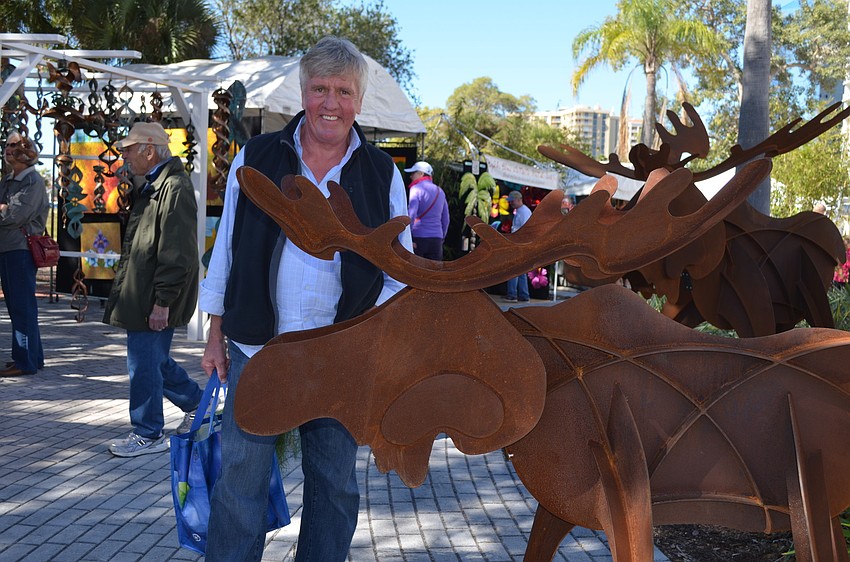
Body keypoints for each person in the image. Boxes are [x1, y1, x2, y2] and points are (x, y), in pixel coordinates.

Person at [199, 36, 413, 562]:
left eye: (343, 91)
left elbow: (400, 272)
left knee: (335, 487)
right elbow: (227, 243)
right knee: (239, 482)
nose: (331, 103)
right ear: (303, 92)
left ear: (359, 101)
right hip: (258, 347)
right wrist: (214, 329)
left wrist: (372, 342)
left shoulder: (382, 174)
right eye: (320, 88)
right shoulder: (257, 157)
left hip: (340, 357)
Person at [103, 121, 202, 457]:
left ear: (149, 149)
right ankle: (201, 406)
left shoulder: (172, 186)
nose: (125, 155)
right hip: (144, 293)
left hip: (153, 297)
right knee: (154, 359)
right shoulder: (156, 184)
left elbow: (177, 252)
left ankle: (148, 432)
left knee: (143, 362)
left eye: (130, 149)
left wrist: (163, 302)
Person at [0, 131, 48, 377]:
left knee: (22, 307)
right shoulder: (9, 180)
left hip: (20, 250)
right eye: (7, 144)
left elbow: (13, 215)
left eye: (14, 145)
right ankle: (31, 358)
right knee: (19, 306)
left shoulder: (32, 181)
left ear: (26, 150)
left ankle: (24, 362)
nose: (8, 149)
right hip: (8, 248)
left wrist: (5, 209)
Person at [404, 160, 449, 260]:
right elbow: (446, 219)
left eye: (413, 173)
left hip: (419, 238)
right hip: (436, 239)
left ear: (421, 173)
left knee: (417, 273)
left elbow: (411, 215)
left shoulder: (416, 189)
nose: (411, 176)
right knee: (434, 273)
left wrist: (408, 237)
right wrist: (441, 237)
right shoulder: (440, 191)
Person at [504, 190, 532, 303]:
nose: (511, 203)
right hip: (521, 244)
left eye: (512, 201)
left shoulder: (524, 212)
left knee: (513, 270)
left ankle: (512, 294)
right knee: (521, 271)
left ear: (519, 200)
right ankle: (523, 295)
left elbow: (525, 230)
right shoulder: (520, 211)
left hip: (520, 244)